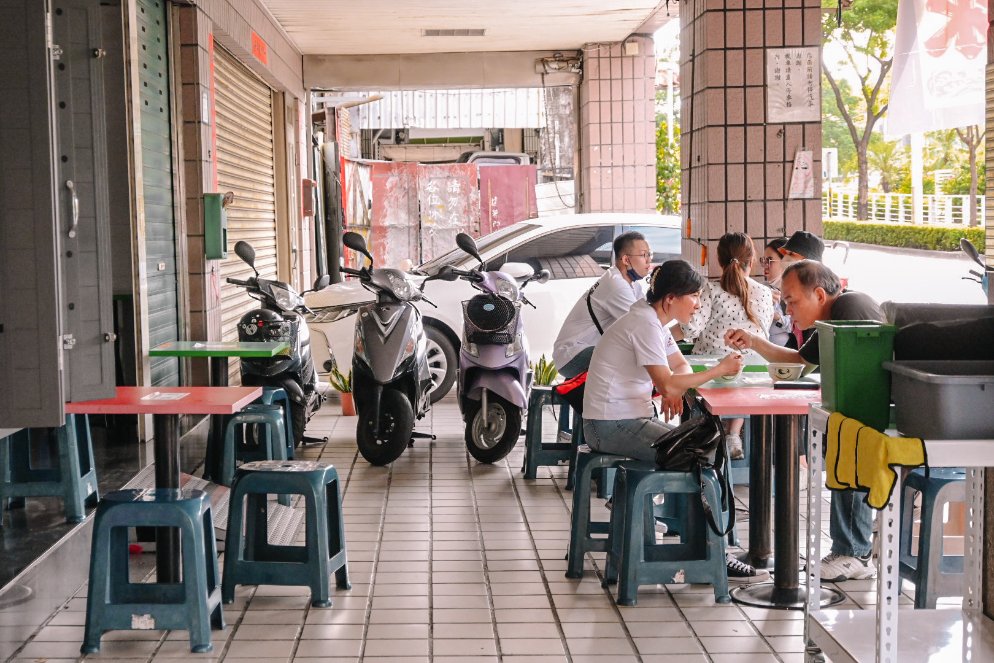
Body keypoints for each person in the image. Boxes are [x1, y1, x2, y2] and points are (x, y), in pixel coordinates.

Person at [582, 260, 769, 583]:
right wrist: (716, 371)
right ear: (671, 298)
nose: (697, 304)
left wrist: (675, 389)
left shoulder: (652, 321)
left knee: (704, 449)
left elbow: (679, 368)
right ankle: (713, 554)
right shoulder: (644, 324)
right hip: (609, 426)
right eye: (694, 296)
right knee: (702, 454)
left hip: (623, 420)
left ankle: (701, 548)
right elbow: (670, 381)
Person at [724, 260, 884, 582]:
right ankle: (852, 548)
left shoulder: (850, 308)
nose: (788, 309)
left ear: (820, 295)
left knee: (846, 442)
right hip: (858, 413)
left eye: (793, 300)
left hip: (872, 416)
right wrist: (754, 340)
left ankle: (854, 552)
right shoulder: (833, 317)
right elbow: (798, 361)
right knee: (842, 440)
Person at [679, 233, 774, 459]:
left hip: (712, 370)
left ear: (719, 261)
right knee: (740, 370)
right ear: (751, 262)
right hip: (755, 370)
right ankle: (733, 433)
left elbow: (691, 329)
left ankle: (711, 431)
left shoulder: (709, 290)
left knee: (698, 376)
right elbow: (765, 328)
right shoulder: (765, 292)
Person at [552, 231, 653, 378]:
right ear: (626, 259)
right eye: (644, 255)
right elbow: (644, 328)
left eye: (650, 255)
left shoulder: (631, 285)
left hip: (583, 350)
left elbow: (649, 319)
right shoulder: (615, 285)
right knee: (634, 354)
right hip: (573, 355)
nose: (649, 261)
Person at [762, 238, 792, 347]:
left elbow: (794, 327)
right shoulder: (761, 289)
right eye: (763, 260)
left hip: (786, 353)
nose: (765, 265)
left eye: (769, 261)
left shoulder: (795, 290)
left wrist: (777, 317)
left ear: (785, 262)